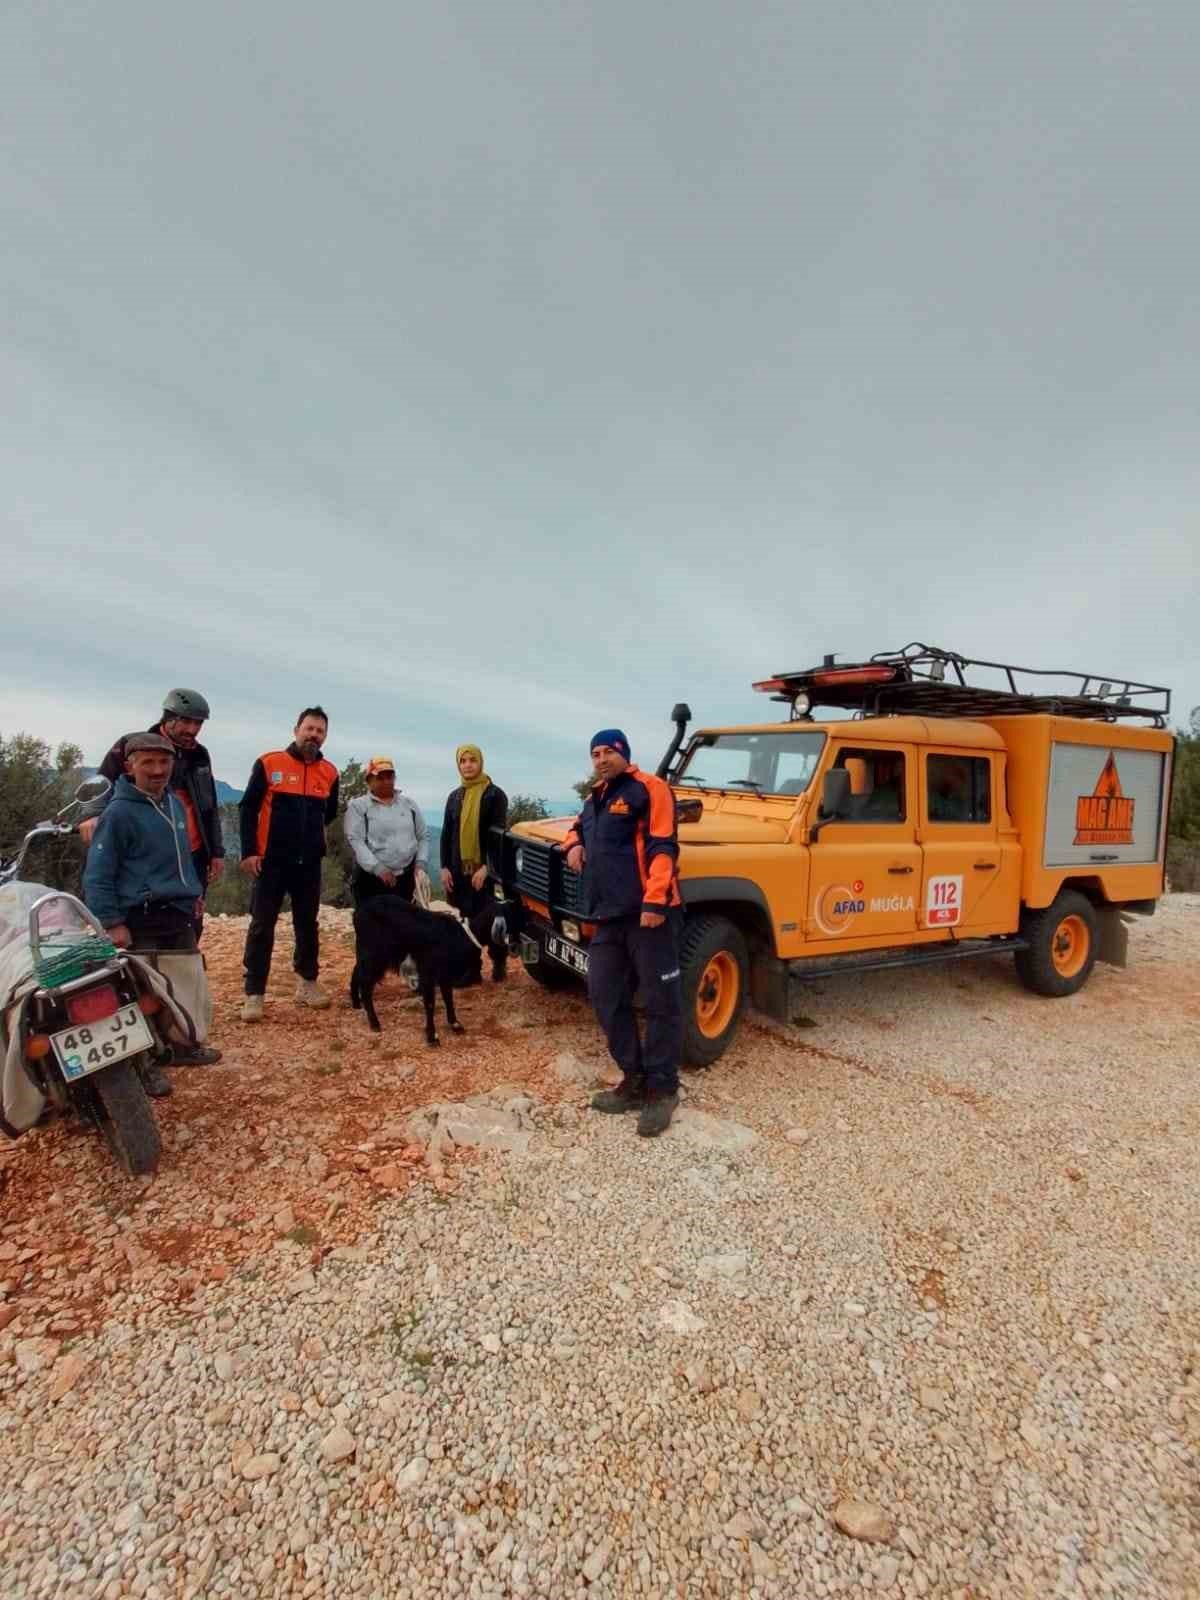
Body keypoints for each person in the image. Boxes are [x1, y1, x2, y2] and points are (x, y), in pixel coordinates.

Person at [82, 732, 222, 1094]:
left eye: (164, 762)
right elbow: (97, 873)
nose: (158, 770)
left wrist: (193, 892)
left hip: (177, 910)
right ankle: (143, 1066)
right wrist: (112, 923)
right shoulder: (118, 812)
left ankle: (178, 1046)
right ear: (130, 766)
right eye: (148, 763)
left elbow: (182, 857)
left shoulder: (173, 803)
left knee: (182, 983)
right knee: (140, 996)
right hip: (140, 915)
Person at [560, 729, 682, 1137]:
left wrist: (654, 901)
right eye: (594, 753)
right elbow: (576, 827)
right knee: (605, 995)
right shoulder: (596, 795)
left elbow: (664, 846)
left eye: (607, 751)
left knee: (661, 1001)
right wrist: (573, 845)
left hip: (650, 916)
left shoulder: (650, 789)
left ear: (624, 753)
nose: (600, 758)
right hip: (608, 917)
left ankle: (662, 1089)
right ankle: (633, 1078)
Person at [80, 689, 225, 940]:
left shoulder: (200, 755)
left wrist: (216, 851)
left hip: (192, 850)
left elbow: (208, 803)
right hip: (150, 849)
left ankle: (183, 963)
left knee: (192, 922)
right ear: (167, 719)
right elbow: (103, 780)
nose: (192, 729)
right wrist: (91, 814)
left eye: (198, 723)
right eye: (186, 721)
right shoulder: (135, 744)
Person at [238, 707, 339, 1022]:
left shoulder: (330, 772)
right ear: (296, 729)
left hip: (308, 863)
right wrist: (249, 851)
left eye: (320, 731)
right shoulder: (270, 763)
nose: (313, 735)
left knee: (307, 924)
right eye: (309, 728)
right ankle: (255, 993)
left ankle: (307, 983)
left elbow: (330, 813)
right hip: (271, 861)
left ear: (325, 736)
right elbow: (247, 809)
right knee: (261, 925)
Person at [440, 744, 507, 980]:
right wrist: (444, 867)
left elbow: (498, 836)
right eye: (463, 761)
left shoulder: (494, 794)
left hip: (485, 871)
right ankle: (472, 969)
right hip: (459, 871)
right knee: (467, 919)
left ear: (481, 762)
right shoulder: (454, 797)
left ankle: (499, 963)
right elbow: (447, 834)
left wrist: (487, 868)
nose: (468, 765)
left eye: (472, 760)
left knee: (493, 917)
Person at [344, 757, 430, 908]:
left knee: (405, 922)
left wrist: (421, 864)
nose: (386, 781)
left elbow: (423, 836)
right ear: (369, 780)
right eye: (380, 777)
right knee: (374, 925)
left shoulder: (409, 804)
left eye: (390, 776)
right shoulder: (358, 807)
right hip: (371, 880)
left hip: (406, 878)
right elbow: (356, 841)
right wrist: (378, 868)